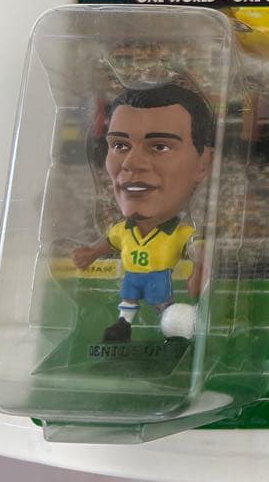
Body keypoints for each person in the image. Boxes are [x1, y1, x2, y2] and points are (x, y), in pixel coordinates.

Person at [72, 83, 214, 342]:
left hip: (158, 277)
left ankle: (172, 322)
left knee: (162, 304)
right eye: (120, 145)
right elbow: (110, 241)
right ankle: (123, 324)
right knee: (128, 300)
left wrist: (201, 269)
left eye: (160, 147)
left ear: (203, 162)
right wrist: (91, 253)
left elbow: (197, 249)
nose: (131, 163)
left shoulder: (179, 231)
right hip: (133, 278)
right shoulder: (122, 230)